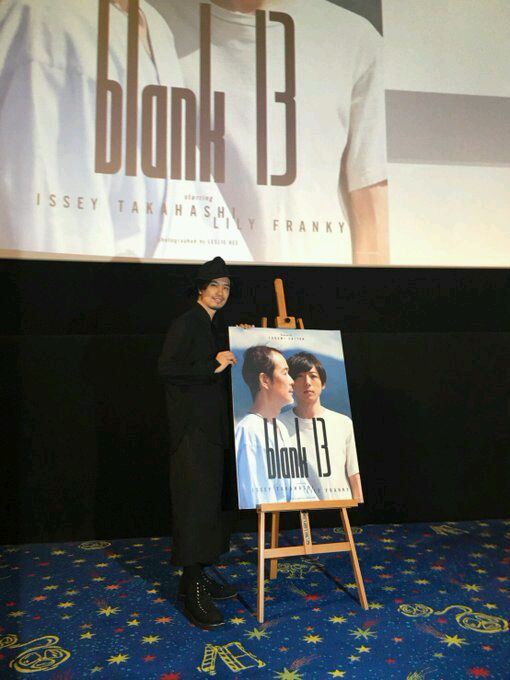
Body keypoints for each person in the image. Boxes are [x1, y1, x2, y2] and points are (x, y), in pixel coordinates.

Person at [0, 0, 252, 262]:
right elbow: (54, 229)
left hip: (160, 279)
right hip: (102, 282)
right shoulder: (46, 22)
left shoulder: (153, 24)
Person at [149, 0, 389, 265]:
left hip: (312, 281)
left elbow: (371, 203)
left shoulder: (353, 38)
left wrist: (365, 287)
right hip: (189, 280)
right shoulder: (148, 20)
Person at [158, 256, 238, 629]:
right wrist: (211, 365)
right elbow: (167, 368)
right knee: (194, 505)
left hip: (211, 430)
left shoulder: (211, 325)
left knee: (209, 505)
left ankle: (198, 576)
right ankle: (192, 589)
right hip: (191, 433)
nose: (220, 293)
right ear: (201, 289)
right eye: (214, 286)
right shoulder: (187, 322)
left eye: (226, 287)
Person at [235, 345, 319, 507]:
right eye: (285, 373)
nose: (292, 381)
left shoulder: (280, 427)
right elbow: (256, 499)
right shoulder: (249, 430)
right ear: (265, 380)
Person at [279, 351, 363, 501]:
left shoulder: (343, 423)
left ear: (323, 384)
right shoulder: (278, 425)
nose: (307, 382)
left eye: (313, 376)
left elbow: (354, 475)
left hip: (340, 507)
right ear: (291, 383)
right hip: (298, 508)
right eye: (299, 376)